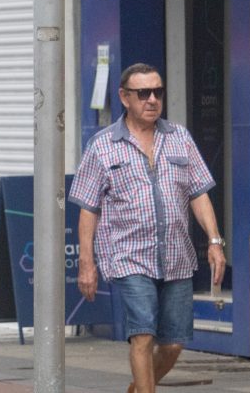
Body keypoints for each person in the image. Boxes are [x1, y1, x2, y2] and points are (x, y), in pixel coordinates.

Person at [69, 63, 225, 393]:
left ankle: (138, 388)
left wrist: (214, 241)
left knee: (173, 345)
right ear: (125, 98)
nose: (152, 99)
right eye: (143, 94)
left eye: (158, 92)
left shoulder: (179, 138)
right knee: (142, 335)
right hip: (129, 257)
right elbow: (88, 209)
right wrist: (87, 262)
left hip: (177, 258)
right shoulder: (102, 145)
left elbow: (199, 193)